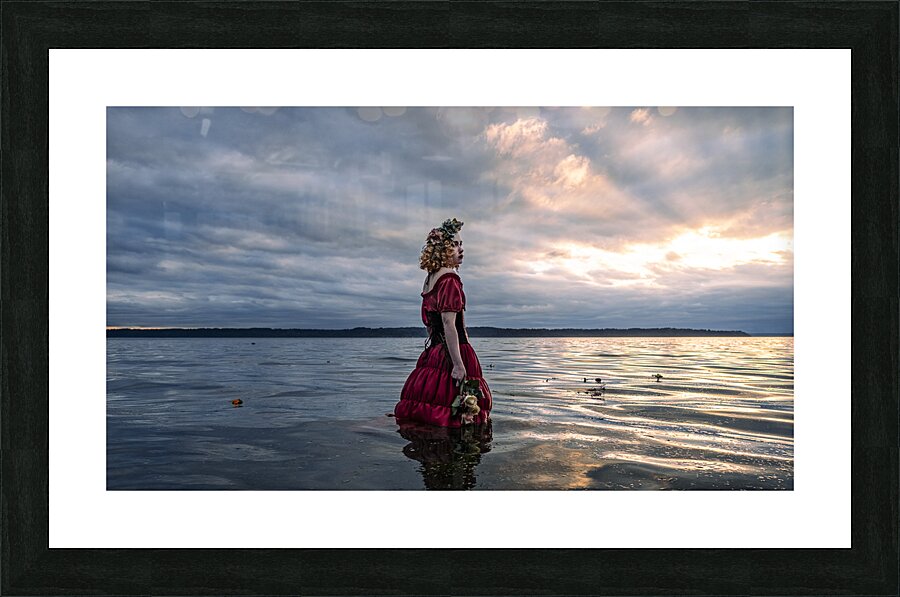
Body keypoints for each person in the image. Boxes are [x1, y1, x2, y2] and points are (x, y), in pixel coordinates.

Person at [394, 218, 492, 427]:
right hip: (452, 352)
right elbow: (449, 324)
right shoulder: (449, 279)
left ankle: (430, 446)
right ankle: (451, 449)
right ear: (442, 249)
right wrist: (458, 364)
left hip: (435, 352)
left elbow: (431, 324)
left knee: (431, 405)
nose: (461, 249)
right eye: (455, 245)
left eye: (461, 244)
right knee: (459, 412)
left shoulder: (431, 279)